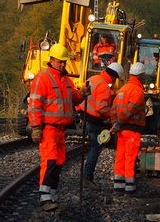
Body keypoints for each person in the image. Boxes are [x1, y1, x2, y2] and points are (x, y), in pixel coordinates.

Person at [28, 43, 88, 211]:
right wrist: (36, 127)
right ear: (52, 60)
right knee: (50, 161)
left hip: (61, 130)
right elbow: (34, 105)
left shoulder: (66, 80)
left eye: (64, 61)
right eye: (60, 61)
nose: (63, 64)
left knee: (59, 162)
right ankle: (45, 197)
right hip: (48, 128)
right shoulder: (43, 78)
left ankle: (52, 195)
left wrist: (82, 94)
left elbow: (73, 99)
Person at [76, 62, 124, 191]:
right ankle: (87, 177)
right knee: (96, 147)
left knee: (93, 146)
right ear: (113, 77)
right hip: (93, 120)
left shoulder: (93, 79)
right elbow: (101, 108)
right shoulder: (104, 86)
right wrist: (110, 118)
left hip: (84, 116)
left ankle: (86, 176)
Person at [111, 62, 146, 194]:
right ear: (141, 75)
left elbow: (113, 108)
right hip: (132, 129)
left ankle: (118, 184)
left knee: (120, 156)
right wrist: (119, 122)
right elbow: (131, 109)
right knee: (130, 157)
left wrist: (115, 123)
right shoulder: (137, 91)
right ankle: (129, 186)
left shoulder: (122, 89)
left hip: (121, 130)